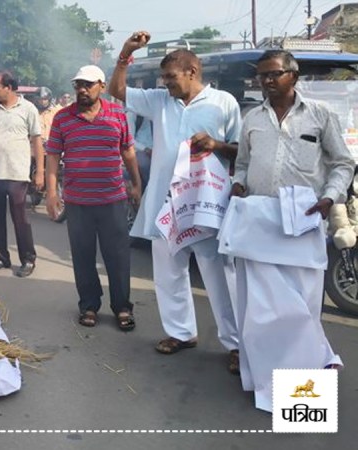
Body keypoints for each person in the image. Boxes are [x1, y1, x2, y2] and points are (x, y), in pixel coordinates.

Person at [108, 31, 241, 373]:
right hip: (165, 204)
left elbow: (241, 151)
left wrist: (215, 145)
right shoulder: (159, 100)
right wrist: (125, 53)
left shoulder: (223, 102)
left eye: (171, 77)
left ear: (192, 72)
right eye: (163, 78)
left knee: (218, 273)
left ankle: (237, 343)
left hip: (206, 202)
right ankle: (180, 333)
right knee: (168, 272)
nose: (165, 83)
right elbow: (117, 91)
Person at [229, 50, 353, 412]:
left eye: (274, 74)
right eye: (262, 76)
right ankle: (266, 384)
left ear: (293, 77)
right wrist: (238, 184)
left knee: (300, 312)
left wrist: (330, 198)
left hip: (302, 222)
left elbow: (343, 163)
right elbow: (243, 164)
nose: (267, 81)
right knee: (261, 313)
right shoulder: (252, 118)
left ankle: (304, 395)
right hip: (260, 225)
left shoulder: (320, 115)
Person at [46, 65, 142, 331]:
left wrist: (136, 184)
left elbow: (128, 152)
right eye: (78, 84)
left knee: (118, 256)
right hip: (78, 202)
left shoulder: (117, 115)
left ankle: (122, 306)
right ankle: (89, 305)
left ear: (101, 85)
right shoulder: (63, 118)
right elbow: (53, 156)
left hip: (113, 199)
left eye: (88, 85)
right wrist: (52, 193)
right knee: (83, 255)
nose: (82, 90)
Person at [0, 70, 43, 278]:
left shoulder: (28, 109)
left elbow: (37, 141)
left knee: (20, 219)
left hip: (18, 174)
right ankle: (2, 257)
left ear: (9, 87)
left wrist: (39, 171)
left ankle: (28, 259)